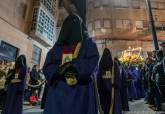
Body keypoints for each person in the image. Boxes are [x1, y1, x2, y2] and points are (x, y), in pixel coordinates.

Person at [42, 0, 99, 114]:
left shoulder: (88, 43)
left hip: (80, 93)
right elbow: (47, 66)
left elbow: (92, 64)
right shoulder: (58, 47)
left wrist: (72, 69)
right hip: (58, 94)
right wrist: (59, 72)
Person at [97, 48, 122, 114]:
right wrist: (116, 85)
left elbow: (98, 77)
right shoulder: (114, 64)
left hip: (103, 89)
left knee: (105, 107)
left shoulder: (101, 64)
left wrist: (99, 87)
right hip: (113, 89)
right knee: (114, 107)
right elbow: (118, 76)